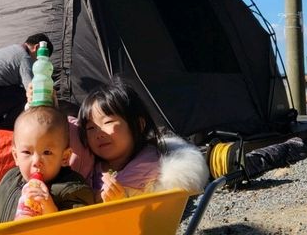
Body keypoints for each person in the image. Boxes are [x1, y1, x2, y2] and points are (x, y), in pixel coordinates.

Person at [0, 105, 94, 226]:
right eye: (27, 152)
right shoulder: (10, 180)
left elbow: (79, 227)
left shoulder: (71, 188)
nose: (36, 161)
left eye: (47, 152)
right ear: (16, 156)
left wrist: (51, 211)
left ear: (64, 157)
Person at [77, 81, 209, 202]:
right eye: (91, 127)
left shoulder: (147, 161)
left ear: (138, 125)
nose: (98, 134)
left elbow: (127, 198)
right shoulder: (92, 163)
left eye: (108, 122)